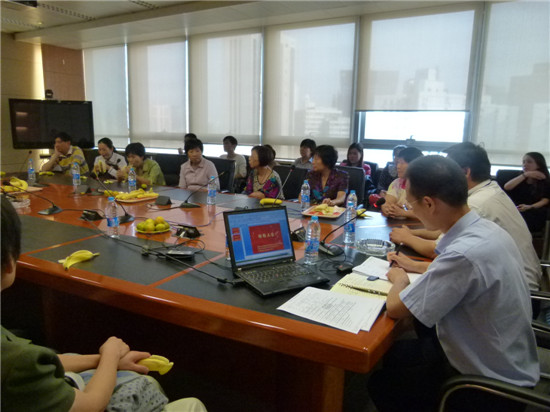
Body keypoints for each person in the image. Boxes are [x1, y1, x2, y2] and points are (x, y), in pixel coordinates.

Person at [0, 196, 207, 412]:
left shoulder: (16, 355)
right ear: (8, 261)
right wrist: (110, 353)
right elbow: (90, 405)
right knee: (192, 405)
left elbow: (46, 362)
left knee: (141, 380)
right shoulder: (19, 361)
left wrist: (104, 361)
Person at [368, 156, 539, 412]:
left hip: (488, 387)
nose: (411, 210)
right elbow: (464, 273)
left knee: (381, 384)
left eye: (412, 204)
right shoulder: (486, 229)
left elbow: (395, 308)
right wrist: (416, 266)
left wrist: (399, 279)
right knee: (398, 354)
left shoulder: (463, 254)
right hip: (508, 357)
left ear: (428, 203)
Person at [390, 142, 542, 292]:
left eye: (446, 170)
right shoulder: (489, 189)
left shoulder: (476, 204)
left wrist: (406, 238)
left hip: (517, 290)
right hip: (508, 281)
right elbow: (444, 234)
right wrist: (412, 233)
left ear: (464, 172)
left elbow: (437, 250)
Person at [503, 152, 550, 233]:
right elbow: (507, 187)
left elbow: (545, 200)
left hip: (533, 210)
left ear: (539, 165)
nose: (525, 164)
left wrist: (530, 206)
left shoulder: (544, 180)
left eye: (529, 162)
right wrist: (526, 175)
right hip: (515, 209)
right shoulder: (520, 176)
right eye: (523, 162)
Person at [380, 146, 423, 219]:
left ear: (414, 165)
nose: (398, 166)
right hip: (398, 224)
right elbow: (387, 203)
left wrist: (403, 213)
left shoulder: (426, 185)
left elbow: (428, 214)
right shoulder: (397, 183)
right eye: (398, 163)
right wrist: (388, 209)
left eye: (402, 163)